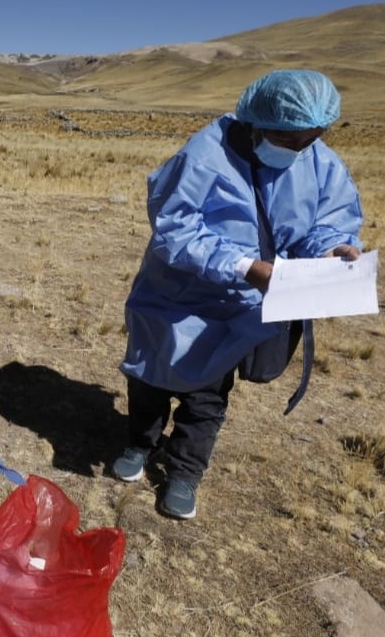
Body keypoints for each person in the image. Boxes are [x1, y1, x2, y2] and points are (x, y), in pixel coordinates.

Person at [113, 69, 364, 520]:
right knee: (150, 376)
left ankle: (186, 471)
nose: (298, 150)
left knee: (208, 392)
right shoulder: (205, 154)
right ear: (259, 123)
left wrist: (331, 249)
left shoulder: (319, 162)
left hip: (239, 306)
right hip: (176, 294)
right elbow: (174, 229)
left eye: (310, 139)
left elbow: (326, 219)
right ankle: (140, 444)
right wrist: (245, 266)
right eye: (288, 139)